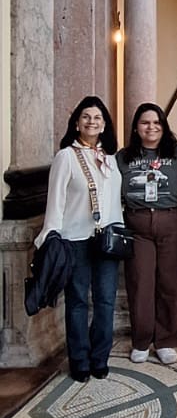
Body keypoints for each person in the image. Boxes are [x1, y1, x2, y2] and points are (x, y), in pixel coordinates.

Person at [37, 95, 123, 382]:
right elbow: (56, 200)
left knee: (106, 301)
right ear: (76, 123)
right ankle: (79, 361)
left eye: (97, 117)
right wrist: (50, 236)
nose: (92, 121)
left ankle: (100, 358)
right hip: (75, 239)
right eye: (86, 116)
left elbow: (114, 202)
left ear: (104, 124)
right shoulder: (66, 157)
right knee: (76, 303)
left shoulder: (110, 158)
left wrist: (119, 229)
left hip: (107, 240)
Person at [118, 102, 177, 366]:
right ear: (136, 128)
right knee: (140, 283)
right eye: (145, 122)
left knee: (172, 284)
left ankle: (167, 340)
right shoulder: (123, 157)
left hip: (173, 222)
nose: (151, 127)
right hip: (137, 225)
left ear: (164, 126)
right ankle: (141, 340)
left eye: (156, 122)